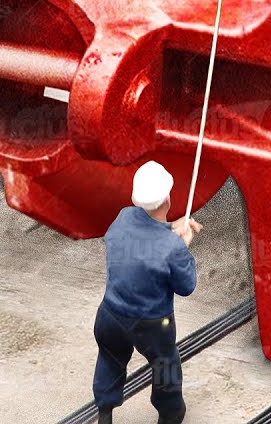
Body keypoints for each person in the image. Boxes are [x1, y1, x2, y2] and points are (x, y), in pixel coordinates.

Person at [93, 161, 202, 424]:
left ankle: (105, 411)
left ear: (135, 197)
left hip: (110, 314)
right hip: (152, 324)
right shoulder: (171, 247)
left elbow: (142, 236)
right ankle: (171, 414)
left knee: (110, 358)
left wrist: (169, 231)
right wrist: (181, 246)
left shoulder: (122, 217)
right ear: (168, 198)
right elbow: (186, 286)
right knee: (165, 365)